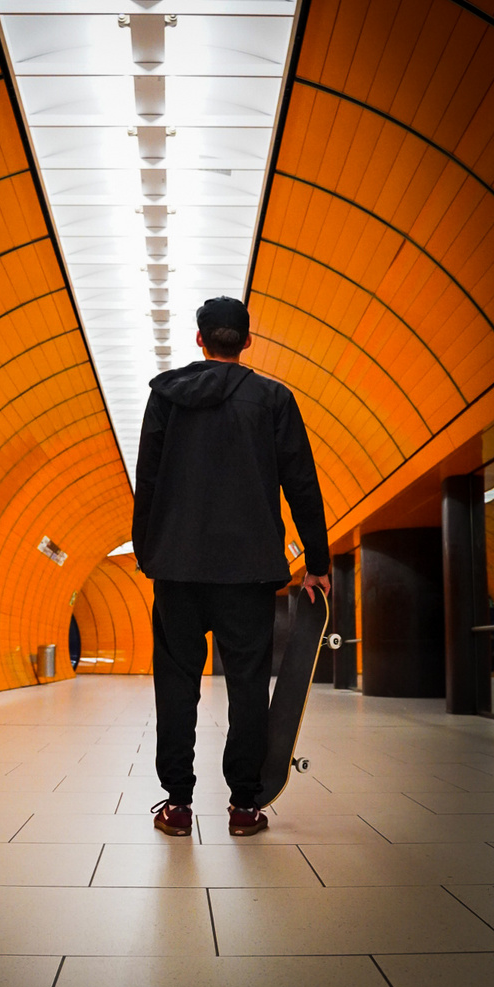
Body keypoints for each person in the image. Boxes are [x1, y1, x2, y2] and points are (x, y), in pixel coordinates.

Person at [132, 296, 330, 837]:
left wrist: (149, 552)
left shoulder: (165, 396)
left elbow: (146, 480)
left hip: (178, 567)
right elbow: (302, 482)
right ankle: (245, 805)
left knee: (176, 685)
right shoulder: (272, 399)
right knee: (246, 687)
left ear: (199, 340)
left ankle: (176, 803)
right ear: (246, 340)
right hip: (248, 571)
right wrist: (316, 561)